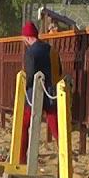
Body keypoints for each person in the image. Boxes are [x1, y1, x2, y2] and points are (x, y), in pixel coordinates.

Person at [19, 21, 58, 160]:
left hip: (33, 94)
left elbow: (30, 75)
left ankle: (21, 158)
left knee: (24, 125)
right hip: (51, 92)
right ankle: (64, 155)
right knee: (56, 127)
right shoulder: (50, 49)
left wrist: (26, 86)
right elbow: (58, 69)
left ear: (28, 37)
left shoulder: (30, 52)